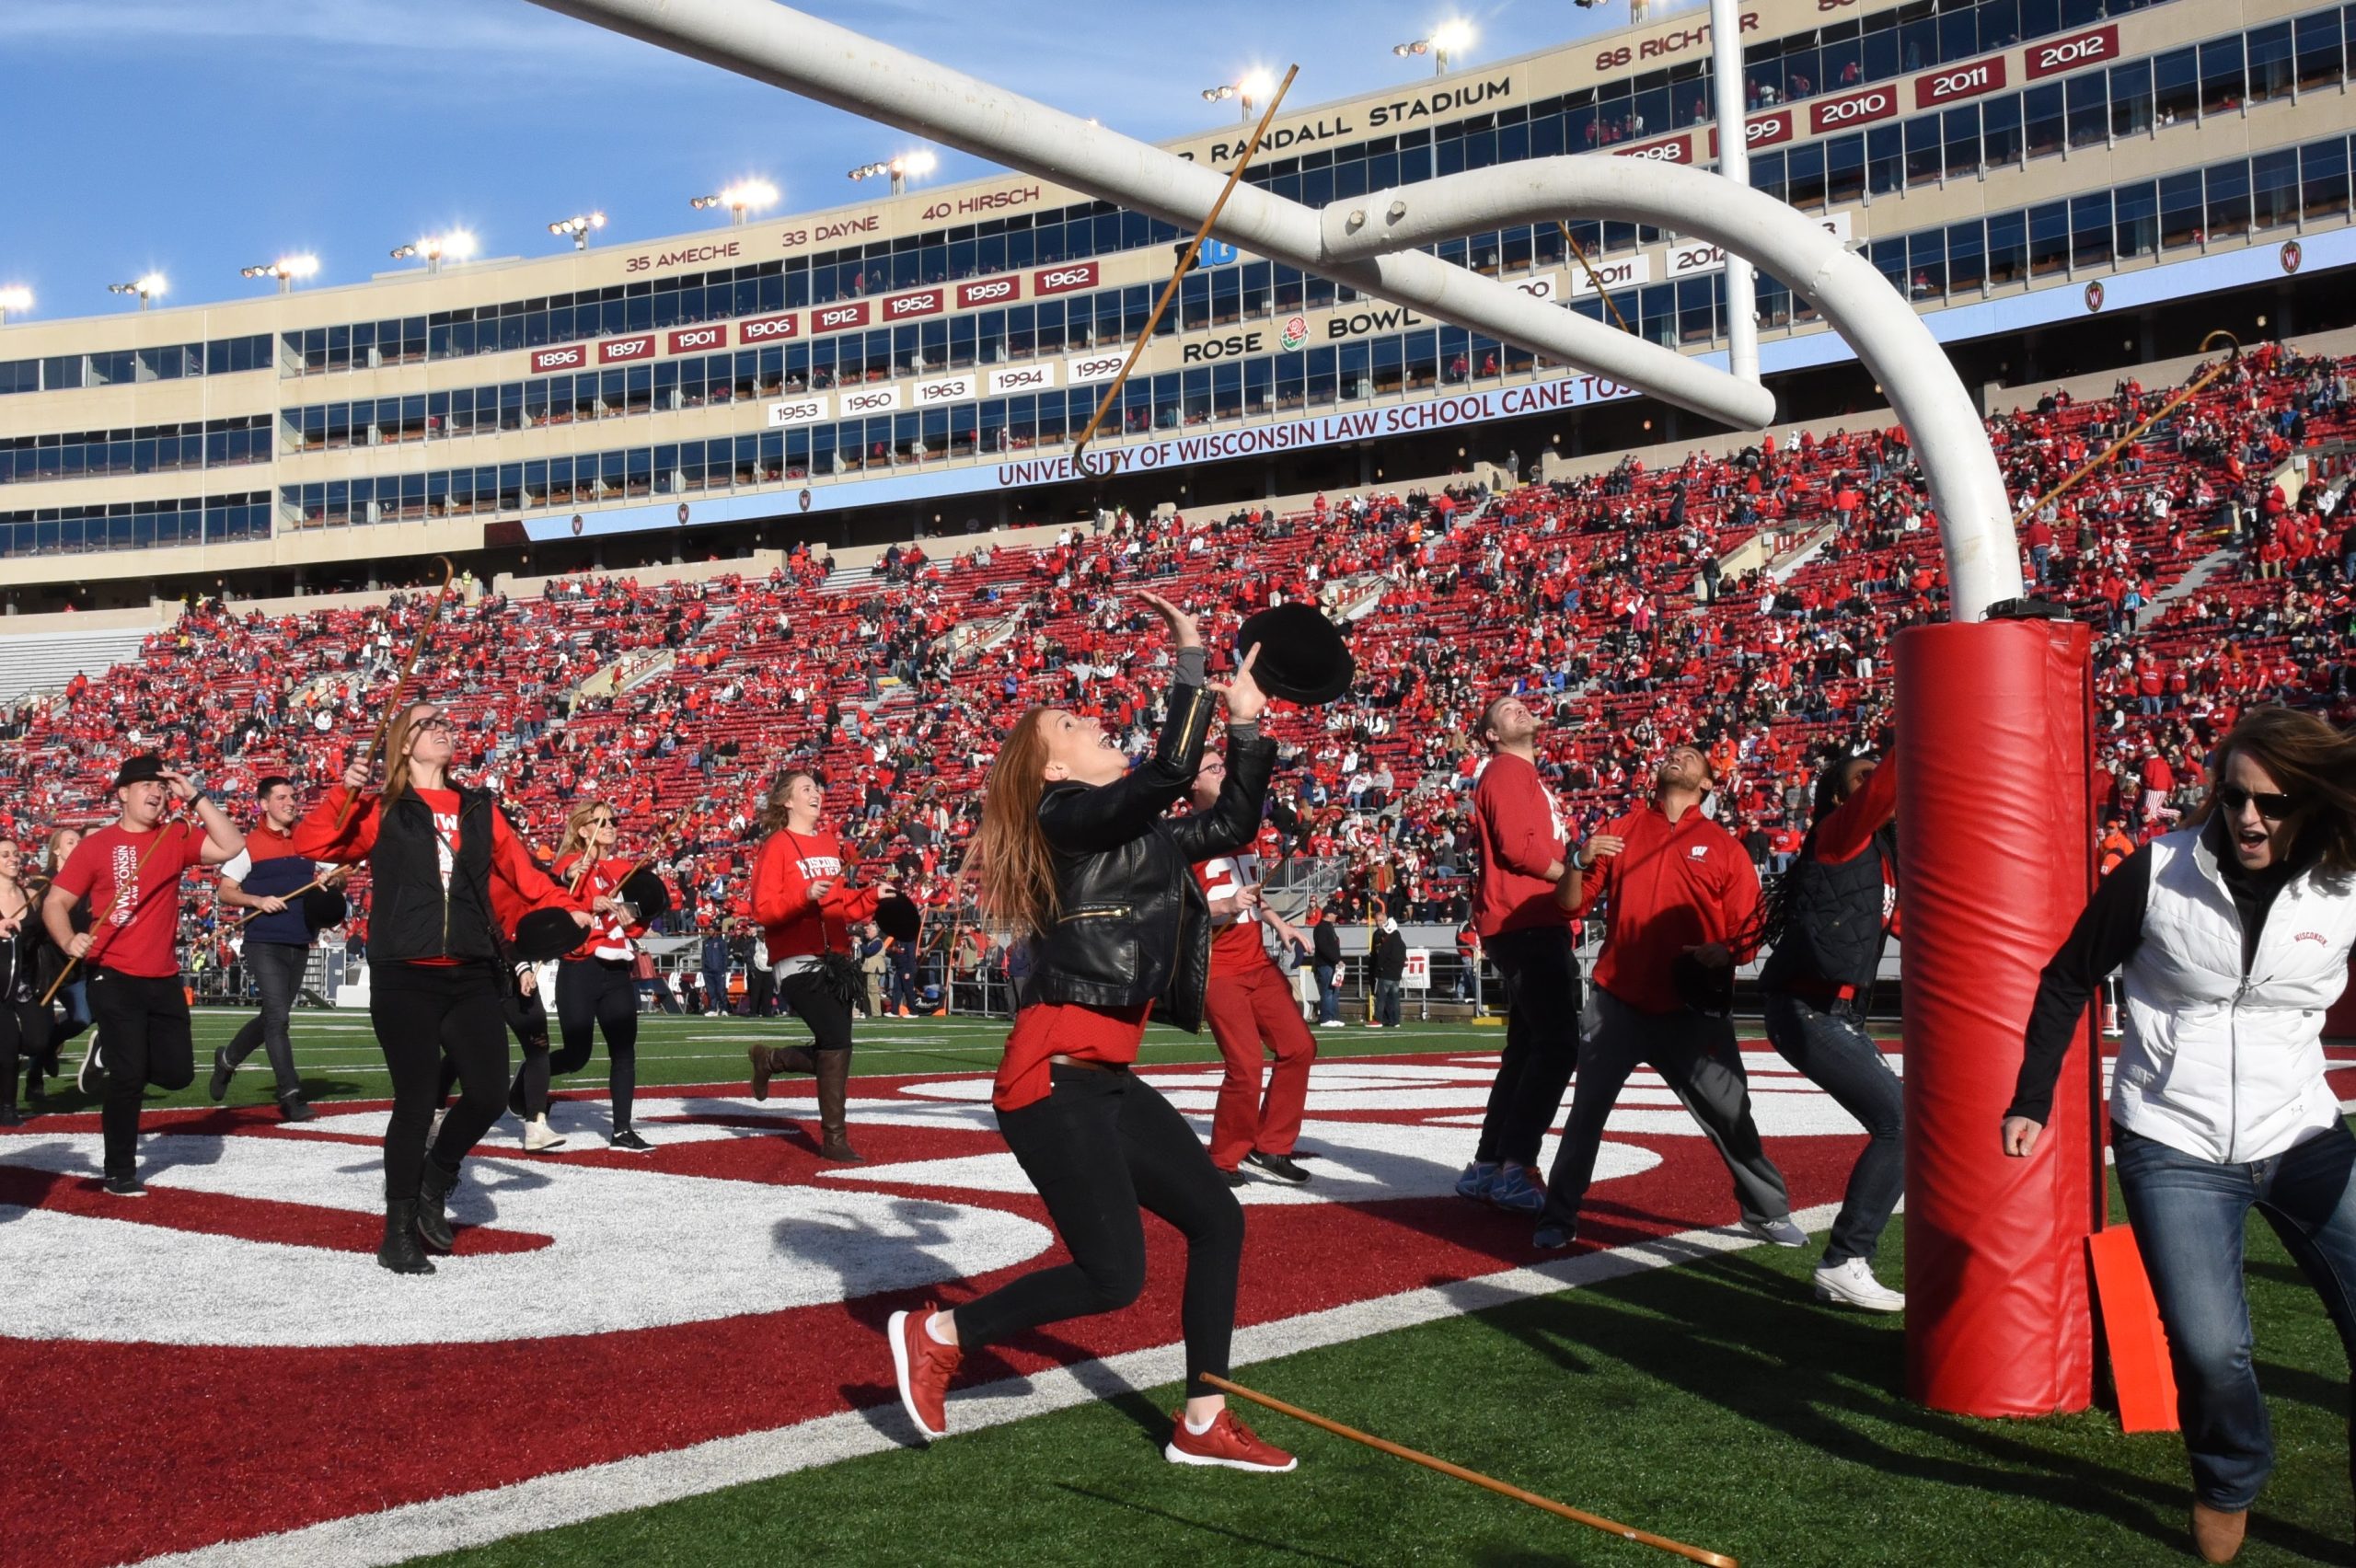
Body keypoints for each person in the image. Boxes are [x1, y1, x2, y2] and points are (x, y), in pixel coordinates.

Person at [887, 590, 1296, 1473]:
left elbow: (1230, 822)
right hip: (1052, 1081)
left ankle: (1202, 1421)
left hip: (1105, 1079)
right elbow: (1160, 773)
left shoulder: (1133, 837)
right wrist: (1191, 666)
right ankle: (942, 1330)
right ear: (1052, 769)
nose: (1092, 721)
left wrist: (1249, 731)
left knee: (1218, 1222)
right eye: (1071, 721)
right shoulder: (1060, 818)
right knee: (1115, 1278)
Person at [2004, 708, 2356, 1565]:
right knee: (2210, 1346)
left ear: (2308, 804)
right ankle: (2230, 1473)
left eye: (2270, 804)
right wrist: (2032, 1098)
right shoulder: (2157, 871)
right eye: (2234, 797)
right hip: (2173, 1140)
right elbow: (2065, 979)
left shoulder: (2346, 883)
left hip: (2303, 1130)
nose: (2247, 818)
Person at [294, 702, 599, 1274]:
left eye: (446, 724)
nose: (442, 730)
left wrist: (570, 907)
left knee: (485, 1093)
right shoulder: (382, 806)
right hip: (403, 971)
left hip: (471, 968)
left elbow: (526, 875)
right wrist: (345, 793)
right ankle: (397, 1230)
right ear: (403, 745)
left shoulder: (480, 805)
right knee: (414, 1102)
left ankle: (437, 1178)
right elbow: (314, 844)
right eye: (427, 724)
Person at [1537, 744, 1800, 1251]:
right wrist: (1577, 857)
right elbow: (1570, 903)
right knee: (1586, 1114)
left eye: (1690, 756)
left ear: (1707, 784)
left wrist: (1722, 952)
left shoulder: (1725, 846)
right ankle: (1559, 1212)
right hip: (1617, 1001)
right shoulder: (1623, 828)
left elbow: (1748, 934)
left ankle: (1766, 1211)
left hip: (1692, 1008)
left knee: (1731, 1114)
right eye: (1672, 753)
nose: (1677, 756)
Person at [42, 755, 245, 1195]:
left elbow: (231, 846)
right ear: (123, 793)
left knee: (177, 1076)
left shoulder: (176, 835)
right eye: (146, 786)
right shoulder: (96, 846)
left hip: (164, 976)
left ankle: (104, 1054)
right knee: (130, 1077)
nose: (157, 793)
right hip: (113, 973)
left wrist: (194, 795)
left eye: (162, 787)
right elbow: (55, 904)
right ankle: (120, 1170)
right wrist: (68, 941)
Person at [1755, 751, 1906, 1310]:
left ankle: (1852, 1258)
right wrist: (1920, 725)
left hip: (1836, 1013)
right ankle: (1845, 1259)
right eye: (1858, 779)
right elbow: (1887, 786)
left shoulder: (1881, 857)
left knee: (1911, 1125)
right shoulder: (1841, 832)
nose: (1872, 785)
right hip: (1808, 1007)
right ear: (1841, 799)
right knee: (1902, 1123)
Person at [1456, 696, 1584, 1215]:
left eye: (1523, 705)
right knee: (1557, 1046)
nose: (1521, 709)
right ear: (1489, 735)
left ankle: (1490, 1163)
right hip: (1526, 920)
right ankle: (1516, 1166)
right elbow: (1519, 849)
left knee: (1528, 1050)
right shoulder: (1508, 770)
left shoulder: (1520, 775)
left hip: (1525, 922)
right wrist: (1576, 878)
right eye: (1505, 710)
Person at [1189, 753, 1317, 1185]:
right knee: (1245, 1065)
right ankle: (1223, 1158)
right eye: (1213, 769)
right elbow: (1172, 908)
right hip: (1218, 966)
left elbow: (1253, 895)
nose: (1223, 773)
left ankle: (1272, 1146)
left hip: (1257, 962)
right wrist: (1224, 905)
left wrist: (1281, 924)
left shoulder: (1242, 834)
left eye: (1223, 766)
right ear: (1190, 784)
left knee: (1299, 1047)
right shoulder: (1181, 837)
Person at [745, 769, 884, 1162]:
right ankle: (834, 1139)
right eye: (806, 788)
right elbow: (763, 909)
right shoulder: (775, 846)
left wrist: (873, 896)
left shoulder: (828, 842)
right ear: (787, 801)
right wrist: (803, 895)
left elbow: (841, 906)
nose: (816, 793)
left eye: (817, 788)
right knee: (837, 1038)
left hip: (837, 959)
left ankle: (772, 1059)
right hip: (796, 960)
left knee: (835, 1043)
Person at [209, 775, 347, 1122]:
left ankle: (226, 1060)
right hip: (264, 942)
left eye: (292, 796)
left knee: (273, 1016)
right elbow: (226, 890)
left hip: (300, 940)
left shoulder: (307, 841)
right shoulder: (247, 844)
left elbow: (341, 874)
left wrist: (331, 879)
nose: (290, 802)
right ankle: (291, 1093)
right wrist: (257, 899)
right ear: (264, 804)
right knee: (279, 1018)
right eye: (282, 797)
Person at [548, 801, 658, 1150]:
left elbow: (639, 920)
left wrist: (634, 917)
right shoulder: (571, 863)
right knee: (576, 1055)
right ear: (583, 829)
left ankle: (622, 1130)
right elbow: (557, 899)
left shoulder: (625, 867)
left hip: (616, 966)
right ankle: (528, 1082)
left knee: (624, 1050)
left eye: (614, 819)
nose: (611, 825)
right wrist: (581, 897)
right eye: (602, 821)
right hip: (581, 965)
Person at [0, 839, 52, 1126]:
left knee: (37, 1040)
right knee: (7, 1046)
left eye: (16, 854)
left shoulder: (32, 894)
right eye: (5, 855)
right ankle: (7, 1107)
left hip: (23, 985)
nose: (13, 859)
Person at [1310, 908, 1345, 1027]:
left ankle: (1334, 1017)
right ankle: (1326, 1017)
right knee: (1327, 991)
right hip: (1325, 964)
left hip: (1334, 965)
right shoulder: (1320, 928)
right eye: (1334, 914)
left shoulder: (1330, 927)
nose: (1336, 916)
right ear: (1328, 914)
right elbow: (1323, 947)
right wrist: (1336, 959)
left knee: (1335, 991)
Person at [1371, 917, 1407, 1026]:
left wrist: (1380, 968)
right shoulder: (1401, 943)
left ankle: (1378, 1019)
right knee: (1395, 999)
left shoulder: (1388, 941)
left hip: (1386, 973)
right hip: (1396, 975)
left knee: (1381, 997)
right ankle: (1395, 1020)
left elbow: (1382, 957)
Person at [700, 922, 731, 1019]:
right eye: (709, 930)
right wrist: (704, 969)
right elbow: (703, 957)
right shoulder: (706, 943)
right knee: (711, 991)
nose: (710, 931)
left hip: (719, 970)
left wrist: (724, 968)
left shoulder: (721, 942)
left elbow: (725, 955)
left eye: (712, 929)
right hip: (708, 971)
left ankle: (724, 1009)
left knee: (720, 990)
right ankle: (713, 1009)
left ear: (715, 930)